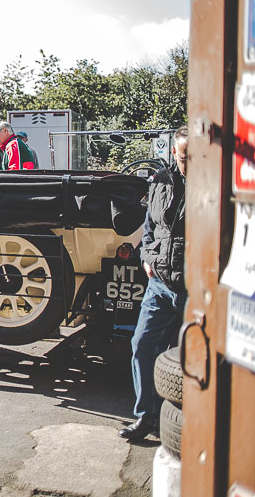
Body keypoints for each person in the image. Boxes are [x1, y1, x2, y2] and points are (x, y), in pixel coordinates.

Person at [119, 126, 188, 442]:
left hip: (195, 289)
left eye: (195, 156)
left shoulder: (215, 183)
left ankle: (191, 423)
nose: (189, 162)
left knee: (192, 356)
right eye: (184, 155)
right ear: (175, 151)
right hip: (159, 283)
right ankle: (146, 417)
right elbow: (149, 227)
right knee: (142, 345)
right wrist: (146, 257)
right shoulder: (161, 181)